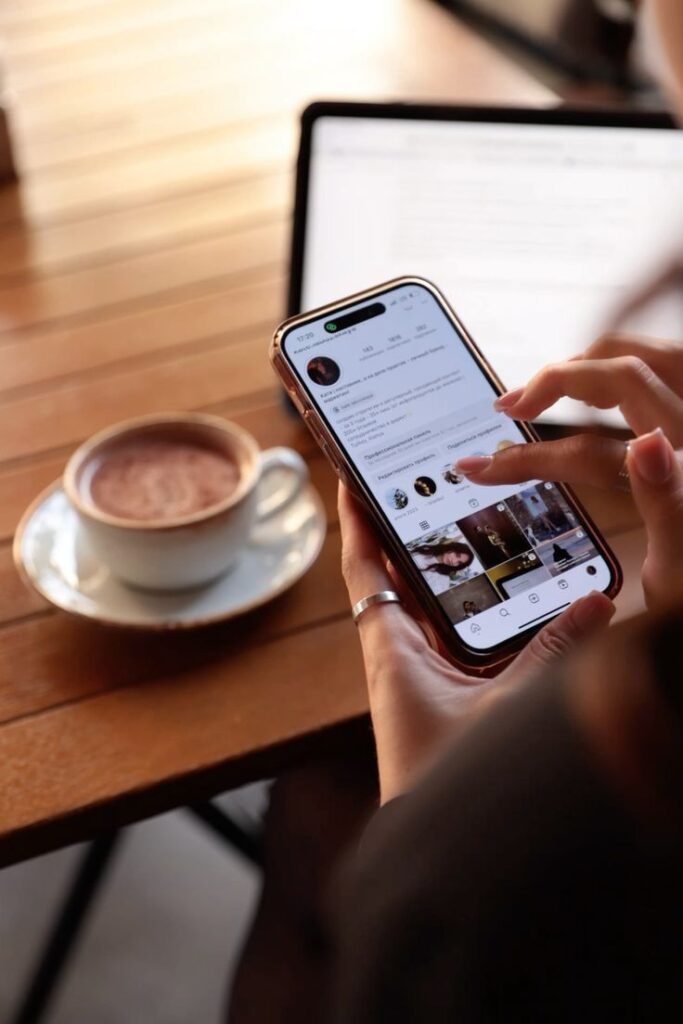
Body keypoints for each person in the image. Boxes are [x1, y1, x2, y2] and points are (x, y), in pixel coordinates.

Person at [229, 4, 683, 1019]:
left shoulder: (478, 881)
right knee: (317, 787)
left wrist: (419, 805)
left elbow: (431, 930)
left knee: (316, 804)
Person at [409, 536, 474, 578]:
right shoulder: (426, 548)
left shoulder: (442, 580)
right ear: (452, 548)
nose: (454, 561)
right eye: (457, 555)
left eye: (459, 563)